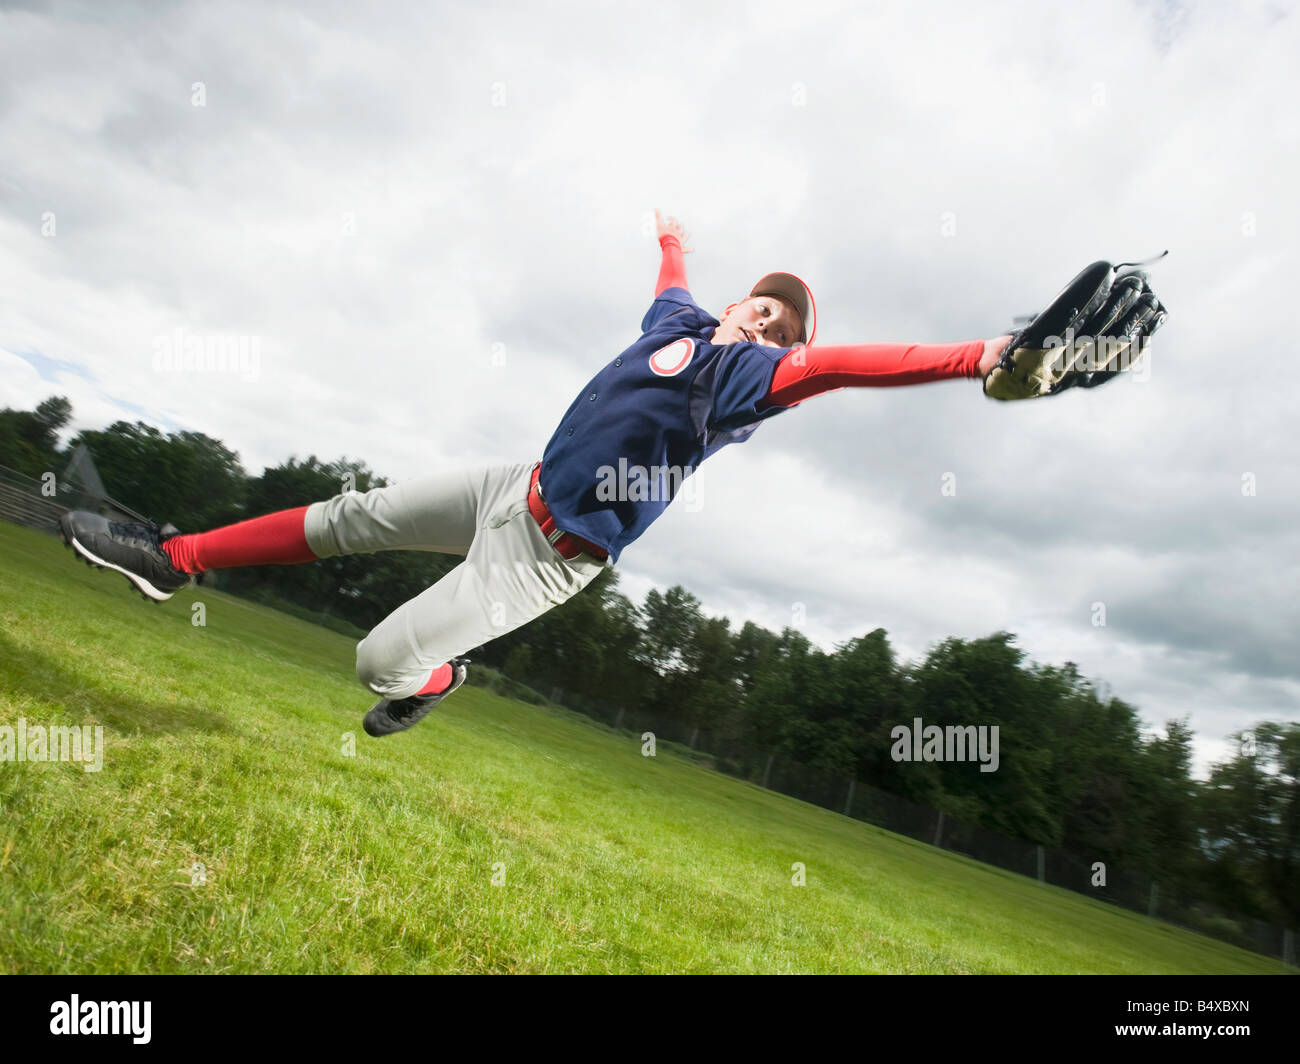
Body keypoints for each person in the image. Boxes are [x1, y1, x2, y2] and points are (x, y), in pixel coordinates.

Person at [59, 209, 1012, 738]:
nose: (767, 323)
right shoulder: (679, 328)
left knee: (376, 663)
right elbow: (671, 279)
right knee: (352, 516)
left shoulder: (743, 380)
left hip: (549, 557)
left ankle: (433, 684)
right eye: (764, 306)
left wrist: (979, 356)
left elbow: (854, 364)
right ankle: (173, 557)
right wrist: (671, 235)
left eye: (784, 325)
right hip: (514, 486)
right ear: (737, 299)